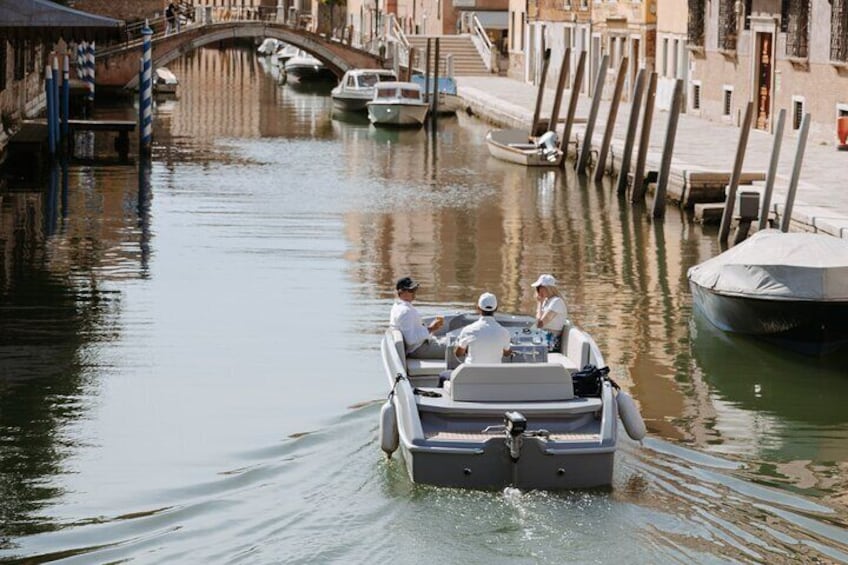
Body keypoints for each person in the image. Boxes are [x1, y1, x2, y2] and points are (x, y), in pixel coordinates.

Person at [389, 276, 446, 359]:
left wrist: (430, 329)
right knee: (459, 347)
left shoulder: (397, 306)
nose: (414, 292)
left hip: (419, 346)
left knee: (453, 342)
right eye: (411, 290)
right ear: (401, 292)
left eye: (415, 289)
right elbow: (411, 340)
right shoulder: (405, 311)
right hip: (419, 349)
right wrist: (430, 329)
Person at [454, 292, 512, 364]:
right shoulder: (504, 332)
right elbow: (507, 353)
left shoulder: (468, 330)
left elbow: (458, 354)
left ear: (478, 308)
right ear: (496, 308)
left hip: (471, 374)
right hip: (494, 374)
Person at [531, 274, 569, 349]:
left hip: (551, 342)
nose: (538, 290)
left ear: (548, 288)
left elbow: (540, 324)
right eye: (537, 288)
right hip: (542, 338)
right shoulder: (547, 300)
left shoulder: (556, 302)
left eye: (540, 287)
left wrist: (539, 303)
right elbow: (537, 323)